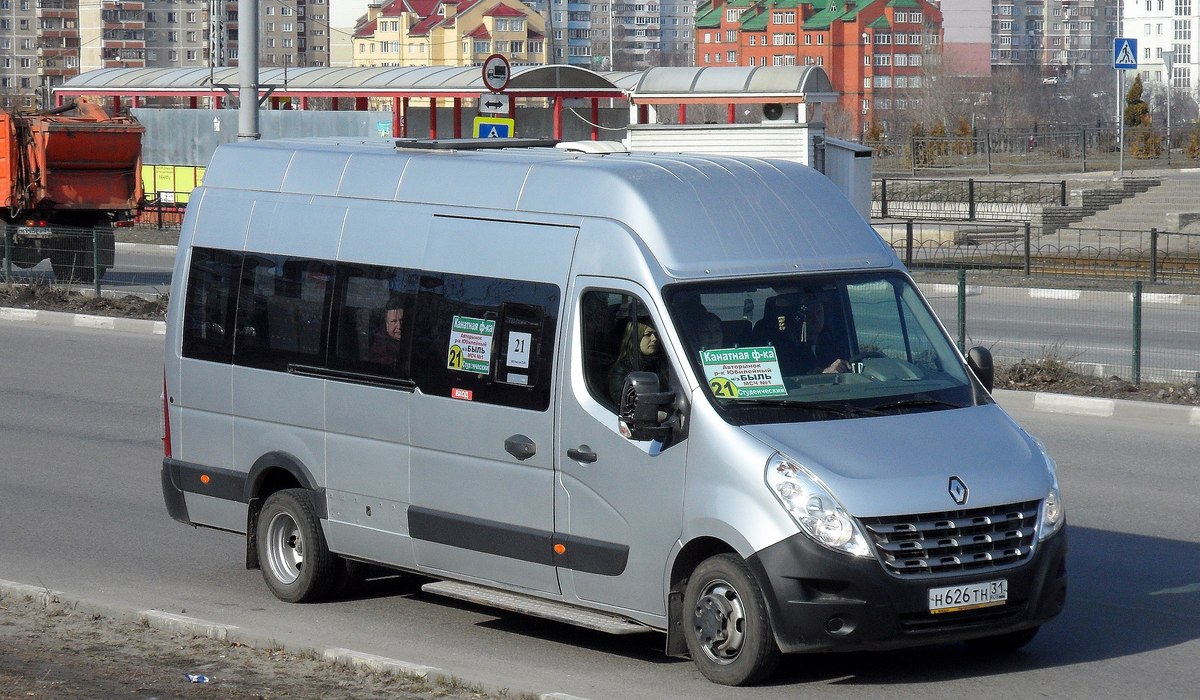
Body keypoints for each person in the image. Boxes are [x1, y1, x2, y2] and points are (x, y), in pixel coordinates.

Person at [766, 298, 850, 375]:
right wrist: (824, 373)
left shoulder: (833, 342)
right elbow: (791, 377)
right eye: (809, 314)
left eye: (819, 313)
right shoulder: (784, 347)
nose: (816, 319)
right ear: (798, 319)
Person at [608, 319, 669, 406]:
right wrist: (660, 414)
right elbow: (628, 407)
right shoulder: (622, 371)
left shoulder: (663, 364)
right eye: (648, 334)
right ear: (635, 338)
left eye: (656, 334)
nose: (654, 339)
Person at [369, 297, 408, 373]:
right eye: (393, 321)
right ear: (386, 324)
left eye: (402, 320)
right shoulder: (381, 348)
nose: (399, 326)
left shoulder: (412, 341)